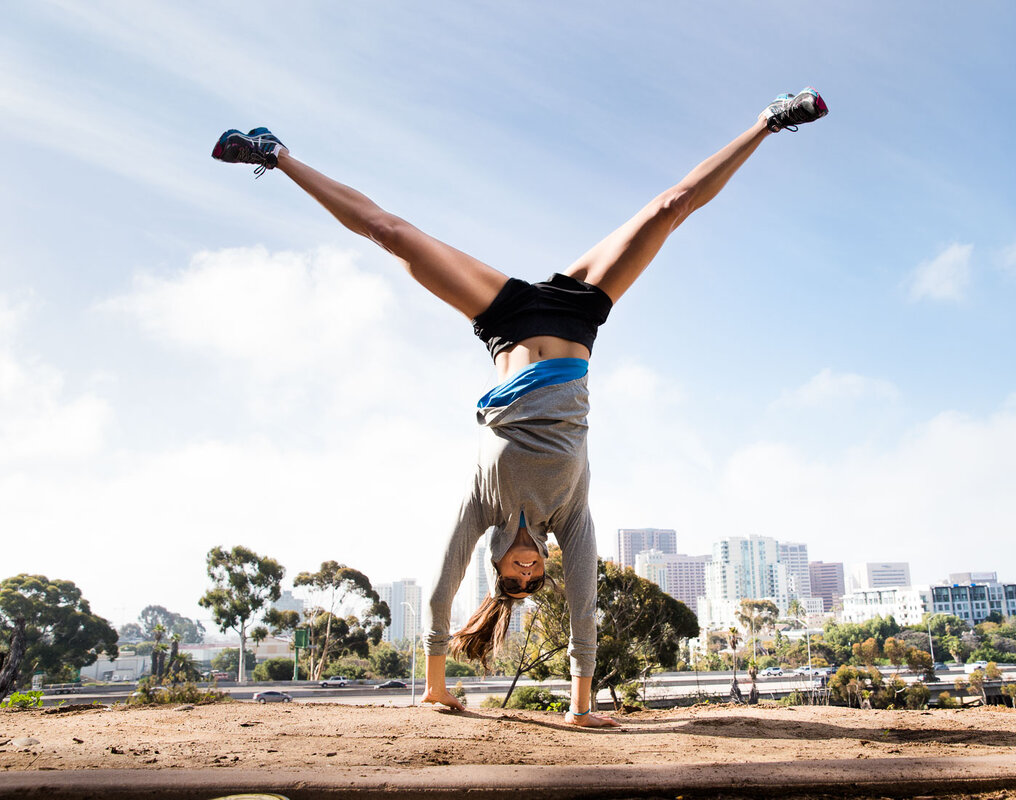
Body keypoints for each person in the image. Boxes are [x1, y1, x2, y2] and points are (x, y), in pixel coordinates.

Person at [212, 89, 828, 727]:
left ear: (499, 565)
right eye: (535, 573)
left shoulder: (481, 507)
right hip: (579, 316)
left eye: (519, 572)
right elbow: (585, 610)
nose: (530, 566)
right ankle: (768, 120)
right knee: (671, 208)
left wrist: (434, 683)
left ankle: (274, 154)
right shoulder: (572, 517)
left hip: (504, 321)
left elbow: (440, 591)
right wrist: (580, 704)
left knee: (389, 233)